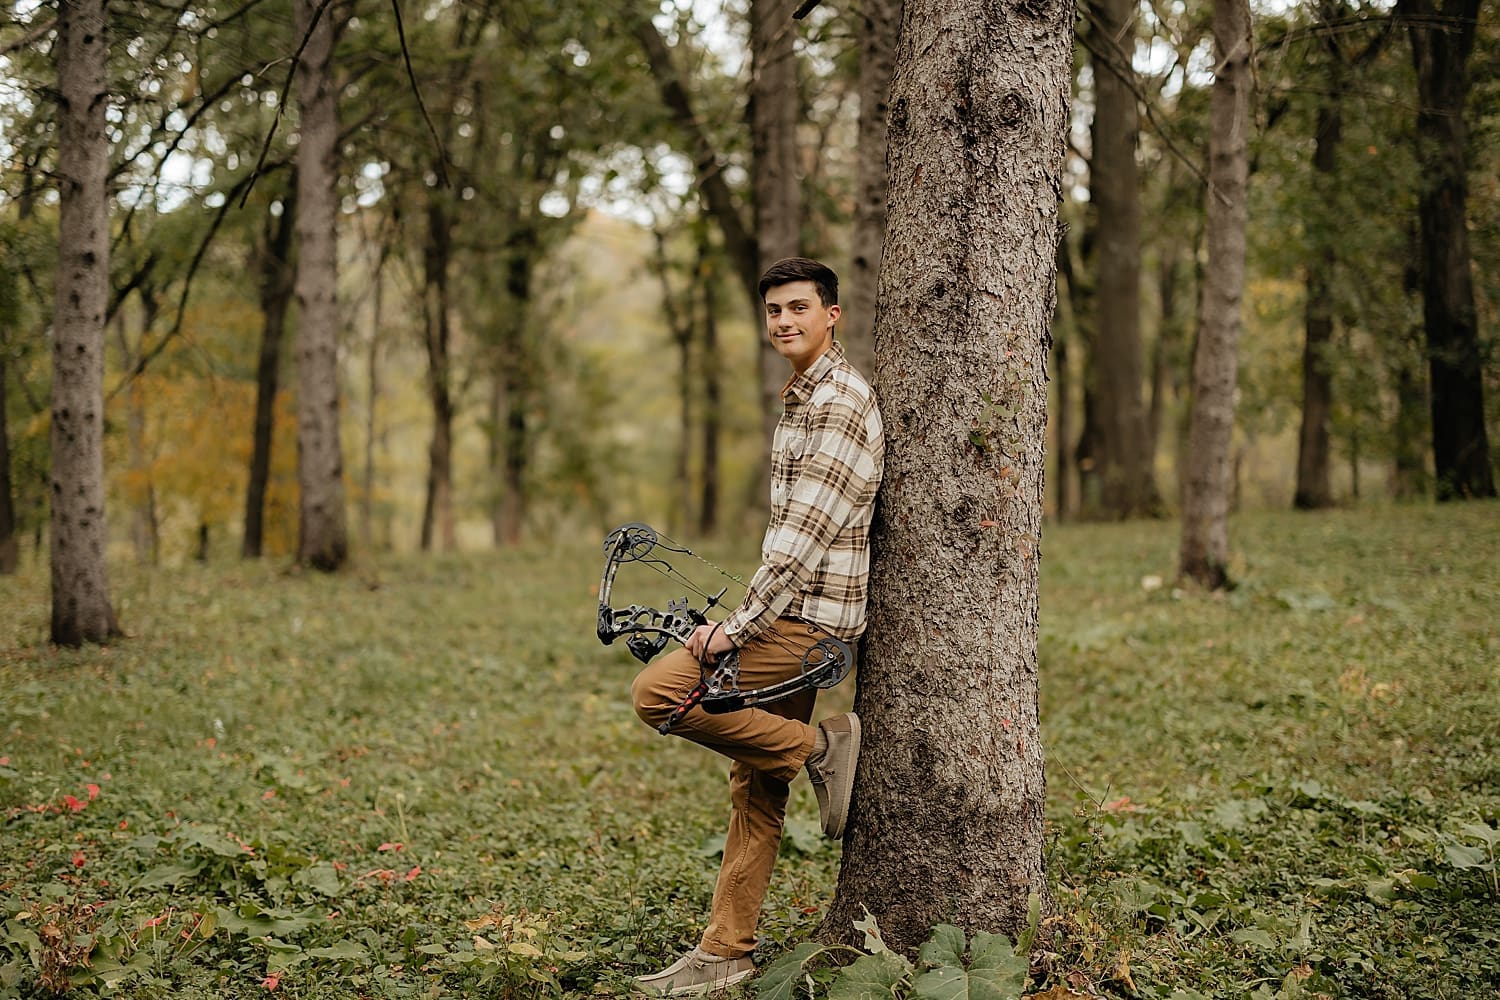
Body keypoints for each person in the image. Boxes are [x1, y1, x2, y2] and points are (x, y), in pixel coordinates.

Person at [630, 257, 885, 995]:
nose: (784, 322)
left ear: (831, 314)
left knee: (659, 696)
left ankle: (819, 746)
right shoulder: (802, 401)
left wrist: (732, 630)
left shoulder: (838, 400)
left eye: (799, 308)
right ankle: (726, 951)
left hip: (806, 628)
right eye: (774, 311)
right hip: (790, 613)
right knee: (754, 785)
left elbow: (801, 541)